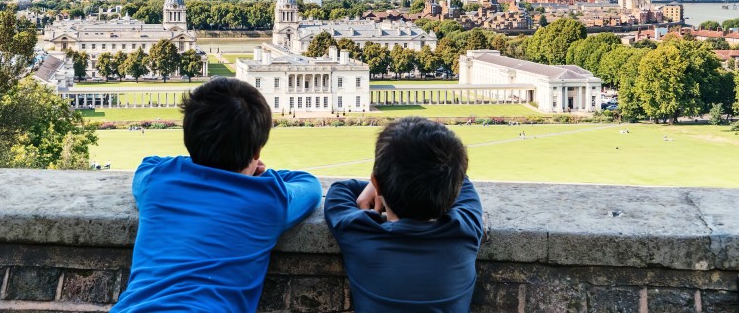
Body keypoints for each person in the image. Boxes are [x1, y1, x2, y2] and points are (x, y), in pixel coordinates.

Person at [113, 78, 322, 312]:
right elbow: (310, 186)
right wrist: (259, 173)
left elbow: (147, 165)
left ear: (189, 139)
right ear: (257, 151)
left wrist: (195, 162)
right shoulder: (267, 198)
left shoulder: (159, 181)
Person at [324, 117, 483, 312]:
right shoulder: (465, 231)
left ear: (377, 183)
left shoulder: (360, 233)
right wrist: (381, 184)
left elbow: (339, 191)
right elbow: (460, 180)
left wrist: (381, 185)